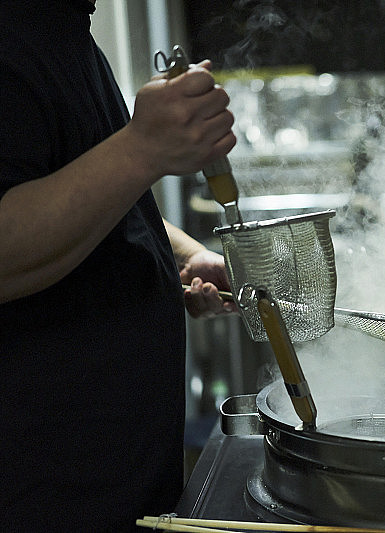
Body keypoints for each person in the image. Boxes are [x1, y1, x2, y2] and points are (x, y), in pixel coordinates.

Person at [0, 1, 237, 531]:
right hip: (41, 496)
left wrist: (183, 253)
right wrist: (142, 148)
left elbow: (95, 200)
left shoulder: (63, 29)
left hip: (121, 481)